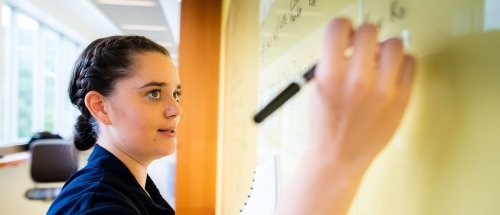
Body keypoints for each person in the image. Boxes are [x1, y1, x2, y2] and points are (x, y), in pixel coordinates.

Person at [47, 17, 415, 215]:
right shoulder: (96, 205)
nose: (175, 108)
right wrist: (336, 158)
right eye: (154, 93)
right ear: (100, 106)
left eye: (176, 93)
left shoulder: (129, 181)